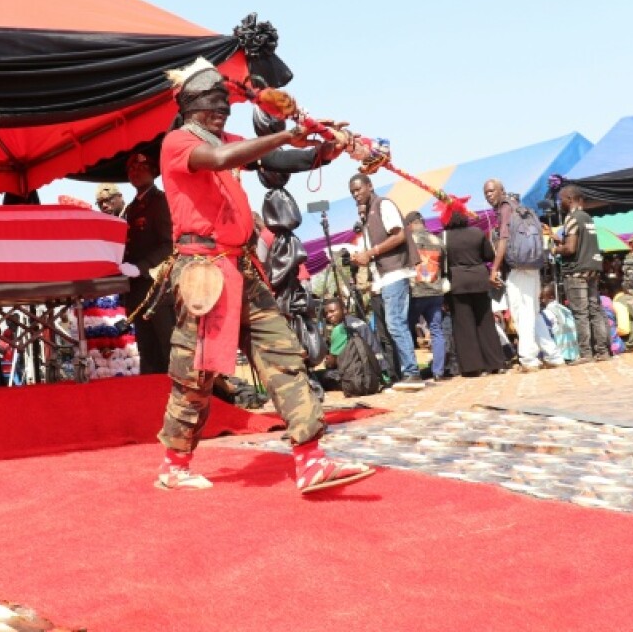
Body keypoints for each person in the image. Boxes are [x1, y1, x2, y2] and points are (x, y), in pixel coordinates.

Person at [154, 57, 374, 494]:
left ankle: (310, 459)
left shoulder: (226, 139)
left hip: (241, 269)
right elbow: (222, 158)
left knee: (283, 357)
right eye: (211, 106)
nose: (220, 113)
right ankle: (175, 465)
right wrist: (289, 132)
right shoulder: (178, 142)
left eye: (224, 106)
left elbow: (273, 156)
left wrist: (321, 149)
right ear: (190, 107)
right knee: (196, 376)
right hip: (204, 273)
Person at [349, 174, 424, 390]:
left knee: (395, 323)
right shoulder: (368, 214)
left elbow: (399, 235)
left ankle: (412, 372)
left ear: (370, 186)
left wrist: (371, 252)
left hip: (395, 272)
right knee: (393, 325)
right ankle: (406, 372)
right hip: (384, 276)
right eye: (352, 192)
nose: (356, 195)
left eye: (358, 189)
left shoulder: (383, 205)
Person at [122, 151, 175, 375]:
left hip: (158, 289)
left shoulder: (160, 202)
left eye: (141, 168)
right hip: (137, 291)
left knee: (168, 347)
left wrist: (141, 267)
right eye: (131, 169)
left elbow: (169, 244)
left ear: (153, 172)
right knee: (147, 351)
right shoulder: (131, 208)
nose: (135, 172)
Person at [483, 179, 543, 373]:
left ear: (502, 190)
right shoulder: (518, 206)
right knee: (533, 312)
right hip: (531, 264)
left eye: (491, 191)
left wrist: (494, 268)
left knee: (522, 313)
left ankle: (528, 359)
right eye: (486, 193)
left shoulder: (506, 208)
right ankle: (552, 354)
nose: (489, 195)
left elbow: (504, 239)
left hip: (519, 268)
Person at [442, 206, 508, 376]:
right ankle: (496, 363)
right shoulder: (477, 233)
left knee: (464, 325)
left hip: (457, 283)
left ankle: (473, 367)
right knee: (485, 322)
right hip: (479, 279)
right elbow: (488, 255)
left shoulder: (444, 237)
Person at [550, 185, 611, 361]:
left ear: (570, 199)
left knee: (580, 313)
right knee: (595, 311)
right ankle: (602, 351)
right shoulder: (587, 218)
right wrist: (560, 240)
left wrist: (555, 250)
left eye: (561, 199)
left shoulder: (572, 218)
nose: (559, 203)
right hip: (592, 269)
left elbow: (570, 249)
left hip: (576, 272)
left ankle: (585, 353)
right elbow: (581, 243)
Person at [405, 211, 447, 379]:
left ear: (409, 225)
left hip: (415, 292)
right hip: (435, 291)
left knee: (407, 331)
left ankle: (411, 371)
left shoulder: (408, 241)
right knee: (437, 331)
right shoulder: (438, 241)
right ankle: (439, 371)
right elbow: (444, 267)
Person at [536, 283, 578, 365]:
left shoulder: (548, 311)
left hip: (561, 348)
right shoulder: (562, 308)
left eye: (543, 298)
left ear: (551, 297)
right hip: (573, 349)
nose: (542, 301)